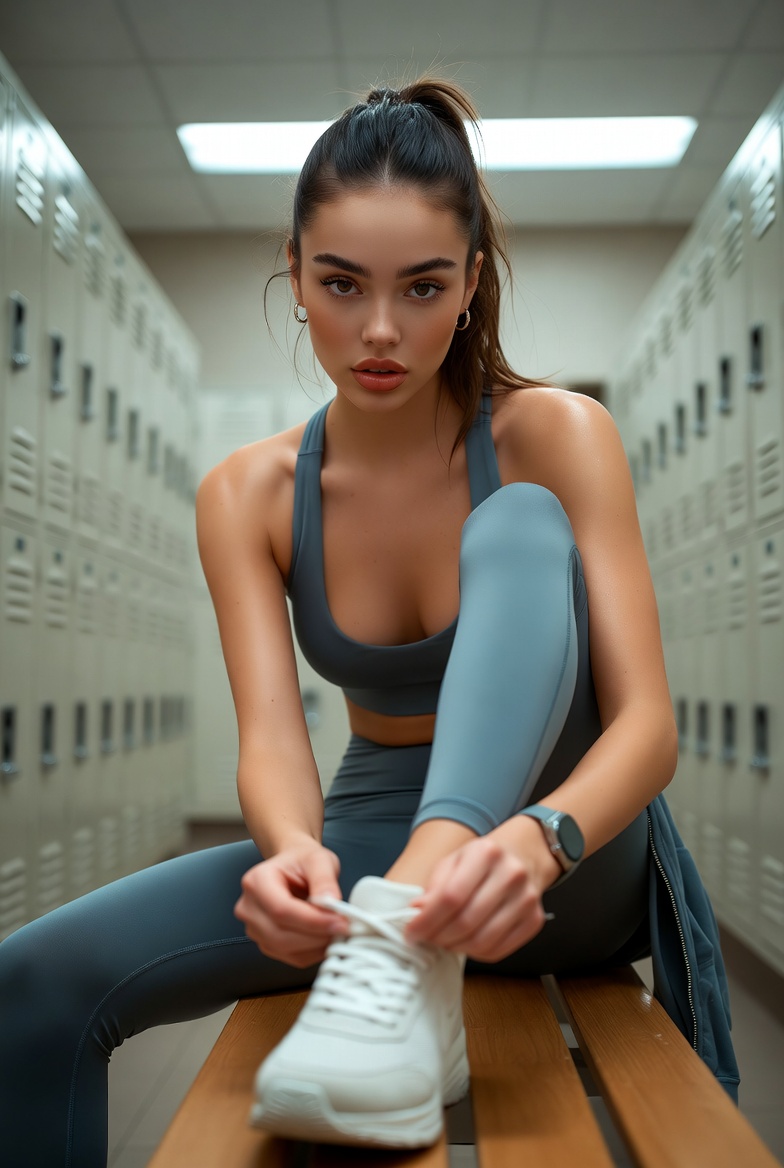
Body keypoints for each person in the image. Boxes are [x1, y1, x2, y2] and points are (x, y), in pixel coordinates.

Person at [0, 78, 737, 1166]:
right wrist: (294, 856)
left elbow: (648, 729)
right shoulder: (246, 494)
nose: (380, 330)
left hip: (566, 844)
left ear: (472, 281)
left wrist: (541, 839)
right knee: (35, 982)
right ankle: (398, 935)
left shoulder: (556, 435)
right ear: (294, 273)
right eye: (342, 283)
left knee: (520, 521)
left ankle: (406, 929)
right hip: (373, 831)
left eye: (423, 287)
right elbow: (270, 735)